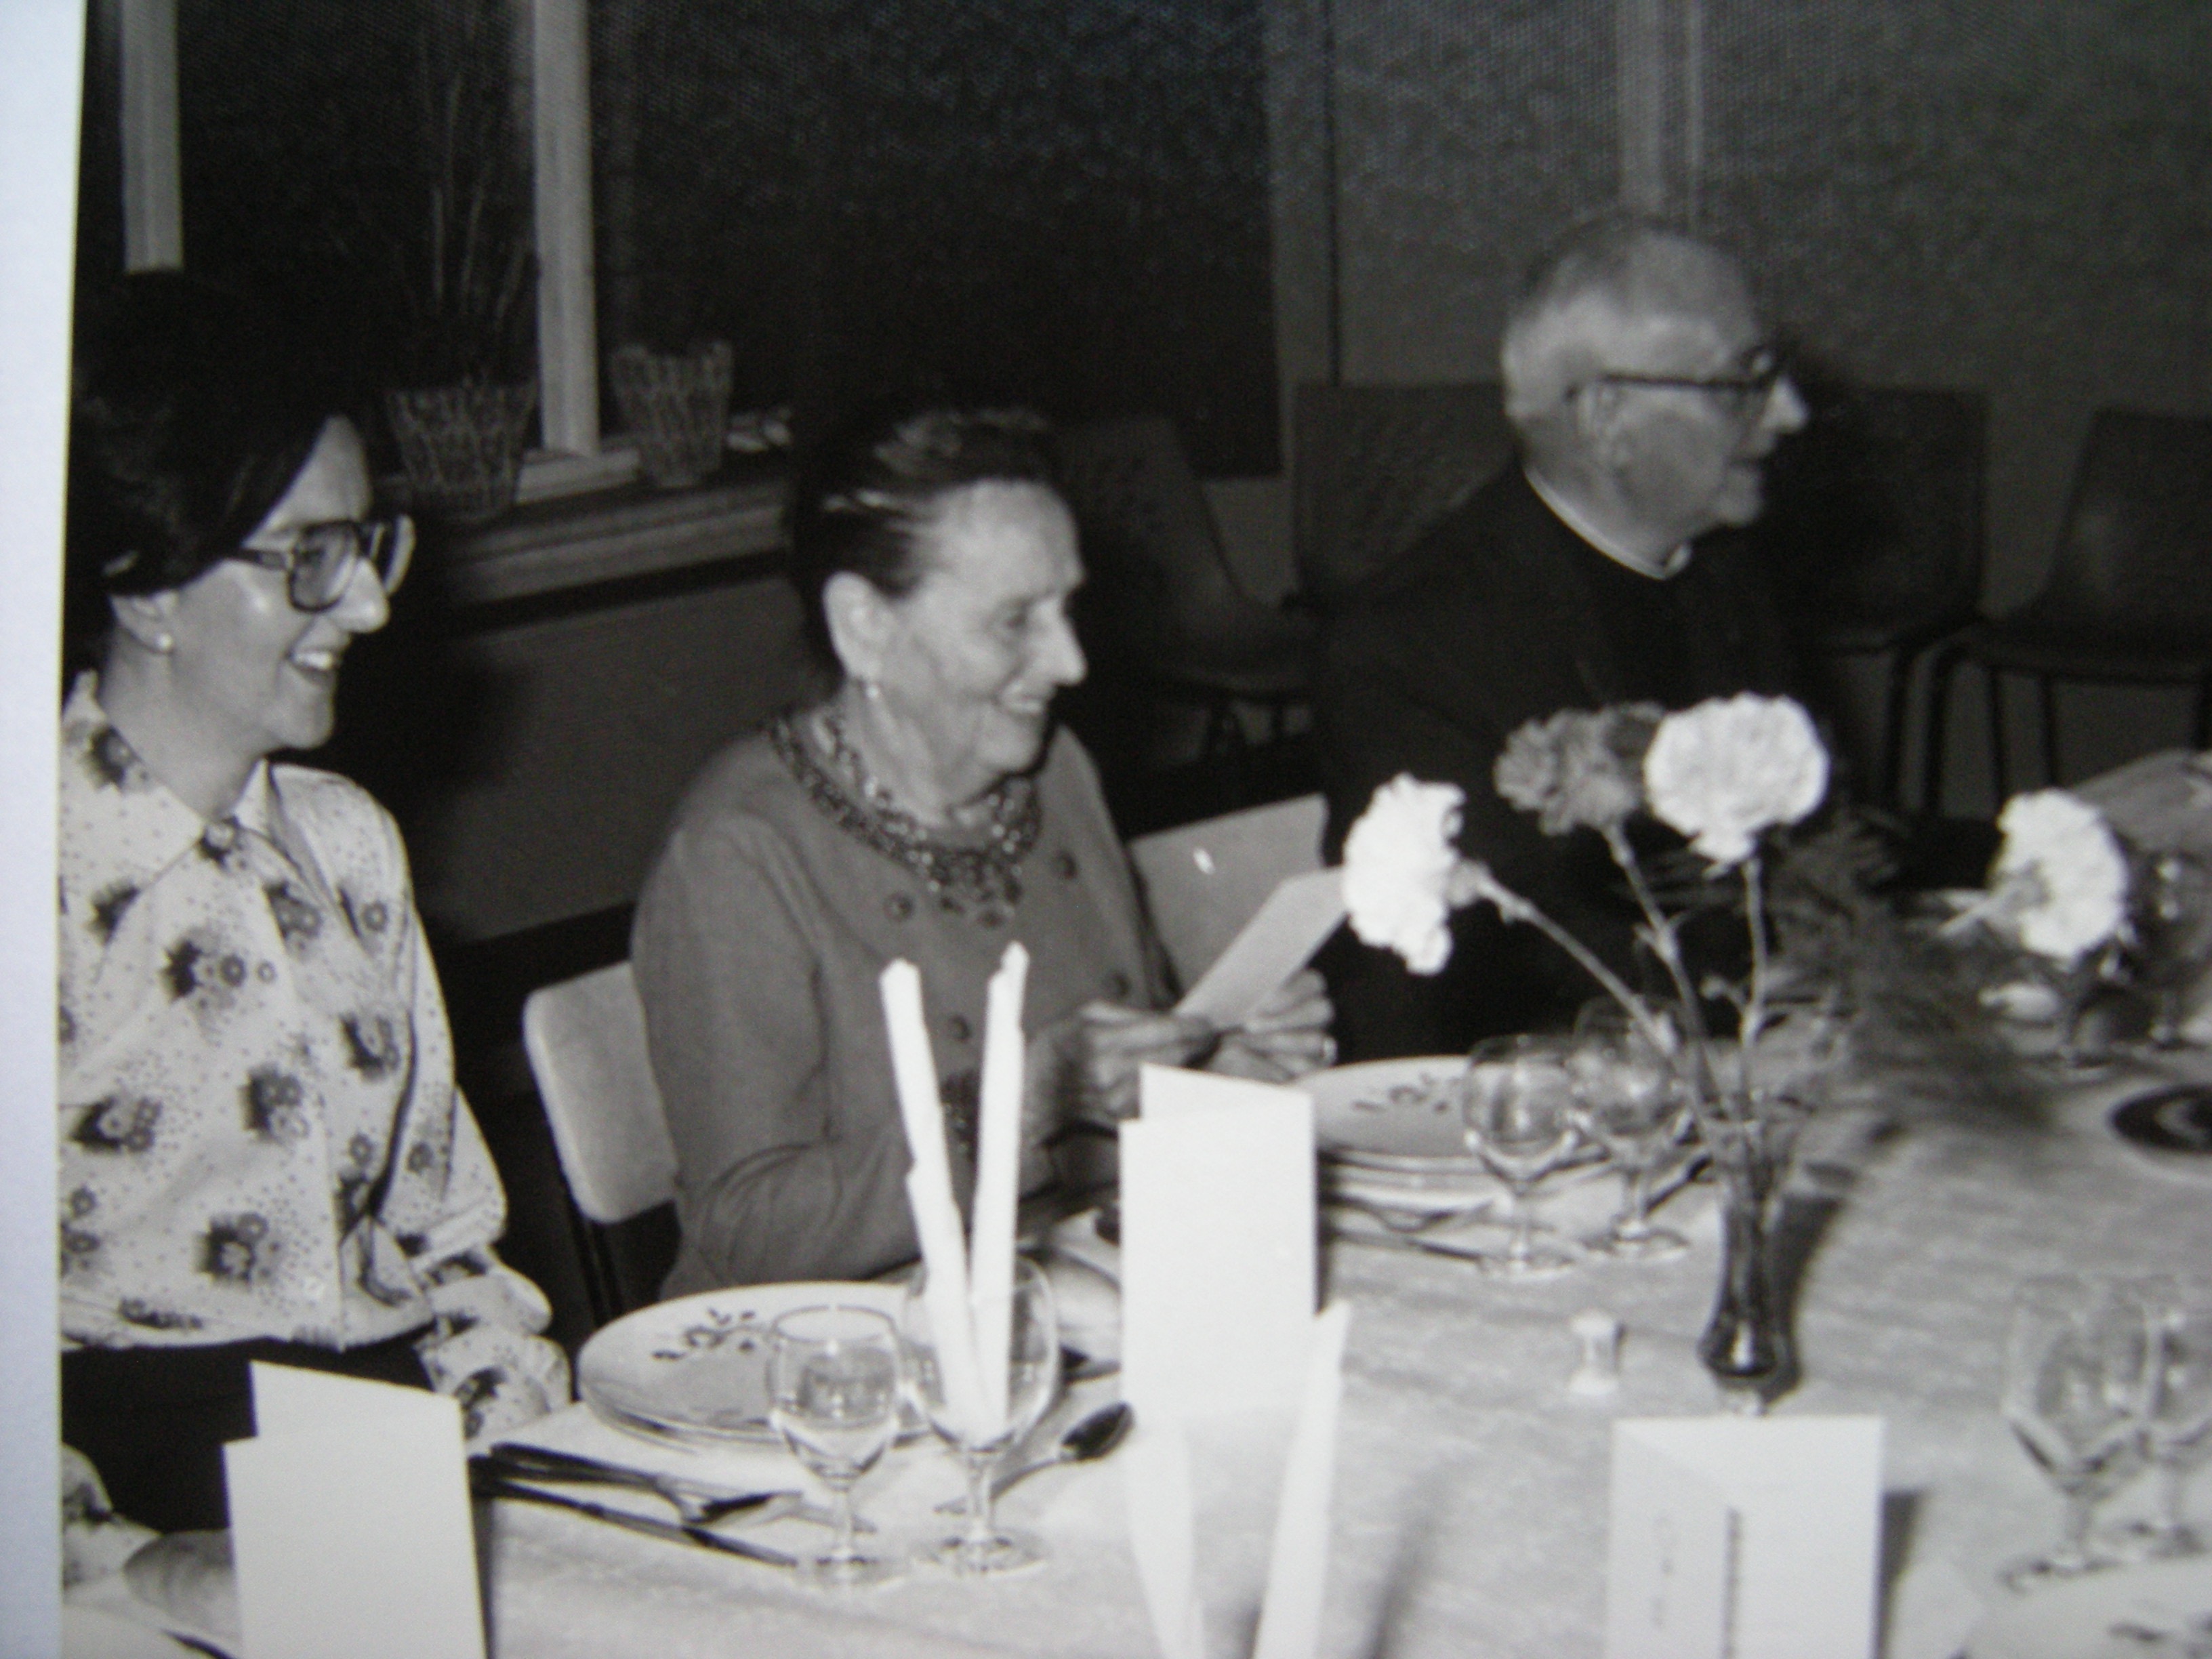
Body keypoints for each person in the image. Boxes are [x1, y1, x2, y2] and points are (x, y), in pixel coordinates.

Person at [58, 273, 567, 1544]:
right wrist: (122, 1572)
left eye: (369, 546)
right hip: (129, 1490)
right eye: (310, 561)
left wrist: (511, 1436)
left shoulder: (346, 845)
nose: (371, 606)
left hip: (374, 1450)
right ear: (145, 589)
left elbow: (441, 1232)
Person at [632, 405, 1334, 1291]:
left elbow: (1123, 1080)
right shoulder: (741, 852)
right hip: (846, 1344)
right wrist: (1020, 1103)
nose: (1071, 662)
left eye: (1066, 609)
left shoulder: (1055, 770)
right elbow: (749, 1235)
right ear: (865, 627)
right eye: (1014, 621)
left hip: (1076, 1291)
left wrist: (1218, 1069)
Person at [1315, 214, 1812, 1059]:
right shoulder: (1411, 642)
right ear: (1608, 417)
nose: (1790, 414)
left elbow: (1816, 848)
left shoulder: (1728, 576)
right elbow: (1508, 972)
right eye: (1744, 383)